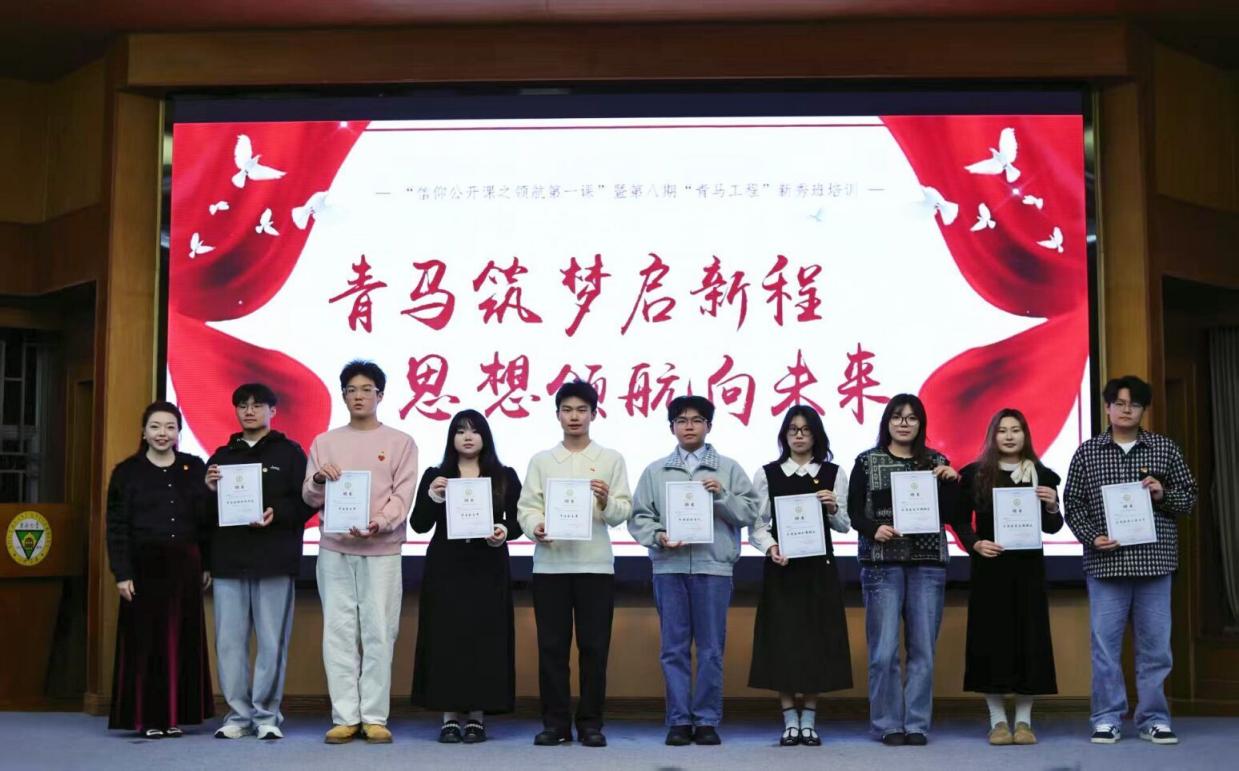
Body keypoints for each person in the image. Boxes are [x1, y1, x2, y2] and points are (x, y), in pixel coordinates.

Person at [1064, 375, 1197, 746]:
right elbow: (1072, 503)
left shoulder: (1164, 449)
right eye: (1119, 403)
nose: (1126, 410)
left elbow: (1189, 498)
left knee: (1156, 648)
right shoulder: (1087, 452)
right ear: (1107, 407)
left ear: (1143, 410)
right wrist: (1092, 536)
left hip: (1154, 563)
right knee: (1105, 648)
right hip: (1106, 564)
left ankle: (1154, 718)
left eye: (1134, 404)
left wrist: (1162, 493)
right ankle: (1107, 718)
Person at [628, 396, 761, 747]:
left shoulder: (728, 469)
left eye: (697, 420)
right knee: (673, 649)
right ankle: (678, 720)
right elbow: (639, 517)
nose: (689, 426)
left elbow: (751, 513)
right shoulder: (655, 471)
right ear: (672, 427)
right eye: (682, 420)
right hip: (669, 567)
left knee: (711, 649)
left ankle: (706, 720)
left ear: (709, 426)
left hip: (713, 568)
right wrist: (658, 536)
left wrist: (723, 495)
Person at [302, 360, 418, 745]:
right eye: (351, 390)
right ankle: (345, 716)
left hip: (381, 548)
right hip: (334, 548)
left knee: (379, 632)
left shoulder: (401, 442)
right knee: (338, 631)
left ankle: (374, 717)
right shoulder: (325, 442)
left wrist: (380, 523)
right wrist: (319, 479)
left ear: (380, 395)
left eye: (367, 389)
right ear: (343, 396)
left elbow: (403, 496)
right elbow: (309, 496)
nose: (359, 396)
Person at [516, 380, 632, 748]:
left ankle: (591, 723)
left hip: (595, 567)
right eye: (567, 410)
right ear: (557, 415)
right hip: (550, 567)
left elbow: (622, 512)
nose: (574, 416)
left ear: (594, 414)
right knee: (552, 648)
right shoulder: (542, 460)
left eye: (582, 410)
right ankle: (555, 723)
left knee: (594, 649)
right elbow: (527, 507)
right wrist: (536, 526)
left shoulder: (611, 459)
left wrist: (605, 501)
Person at [850, 393, 960, 747]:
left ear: (920, 424)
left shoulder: (937, 462)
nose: (904, 423)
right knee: (883, 652)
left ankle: (916, 724)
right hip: (882, 564)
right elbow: (854, 511)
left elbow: (951, 515)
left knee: (923, 650)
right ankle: (887, 723)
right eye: (897, 417)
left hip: (927, 565)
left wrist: (951, 482)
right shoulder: (867, 461)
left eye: (911, 418)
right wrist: (873, 529)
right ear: (887, 422)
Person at [204, 383, 313, 740]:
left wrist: (276, 513)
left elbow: (308, 503)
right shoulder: (221, 456)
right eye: (242, 405)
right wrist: (208, 489)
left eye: (257, 405)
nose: (249, 411)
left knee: (272, 642)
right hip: (228, 561)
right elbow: (204, 514)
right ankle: (237, 715)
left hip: (274, 560)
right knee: (229, 643)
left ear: (272, 411)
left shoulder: (291, 453)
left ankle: (267, 716)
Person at [409, 409, 523, 744]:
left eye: (474, 431)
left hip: (488, 566)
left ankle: (476, 717)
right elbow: (419, 524)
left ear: (485, 436)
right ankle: (448, 717)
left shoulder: (504, 475)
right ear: (452, 438)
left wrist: (503, 530)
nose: (468, 437)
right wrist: (433, 496)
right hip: (447, 566)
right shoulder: (436, 475)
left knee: (484, 639)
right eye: (460, 431)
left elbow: (518, 521)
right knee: (446, 638)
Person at [105, 401, 214, 738]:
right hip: (143, 568)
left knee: (181, 641)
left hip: (185, 566)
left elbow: (206, 521)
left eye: (170, 427)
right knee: (146, 644)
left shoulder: (194, 467)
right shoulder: (126, 472)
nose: (162, 433)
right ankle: (148, 718)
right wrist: (122, 573)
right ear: (144, 431)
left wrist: (206, 564)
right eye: (155, 427)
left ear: (179, 432)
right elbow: (116, 526)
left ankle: (175, 716)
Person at [955, 408, 1062, 746]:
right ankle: (998, 721)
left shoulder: (1041, 474)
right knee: (991, 642)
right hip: (990, 570)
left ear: (1025, 435)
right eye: (1003, 430)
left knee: (1029, 641)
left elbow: (1053, 526)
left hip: (1028, 571)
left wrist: (1052, 506)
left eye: (1016, 430)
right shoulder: (975, 475)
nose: (1010, 436)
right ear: (993, 435)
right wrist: (975, 543)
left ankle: (1025, 721)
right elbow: (959, 520)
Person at [748, 405, 853, 746]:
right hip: (782, 569)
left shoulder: (833, 473)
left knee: (816, 642)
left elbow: (844, 525)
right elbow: (757, 525)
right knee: (783, 642)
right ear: (784, 435)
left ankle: (809, 717)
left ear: (816, 435)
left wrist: (833, 507)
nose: (799, 435)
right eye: (792, 429)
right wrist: (771, 547)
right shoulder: (768, 473)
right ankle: (788, 718)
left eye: (806, 429)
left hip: (819, 570)